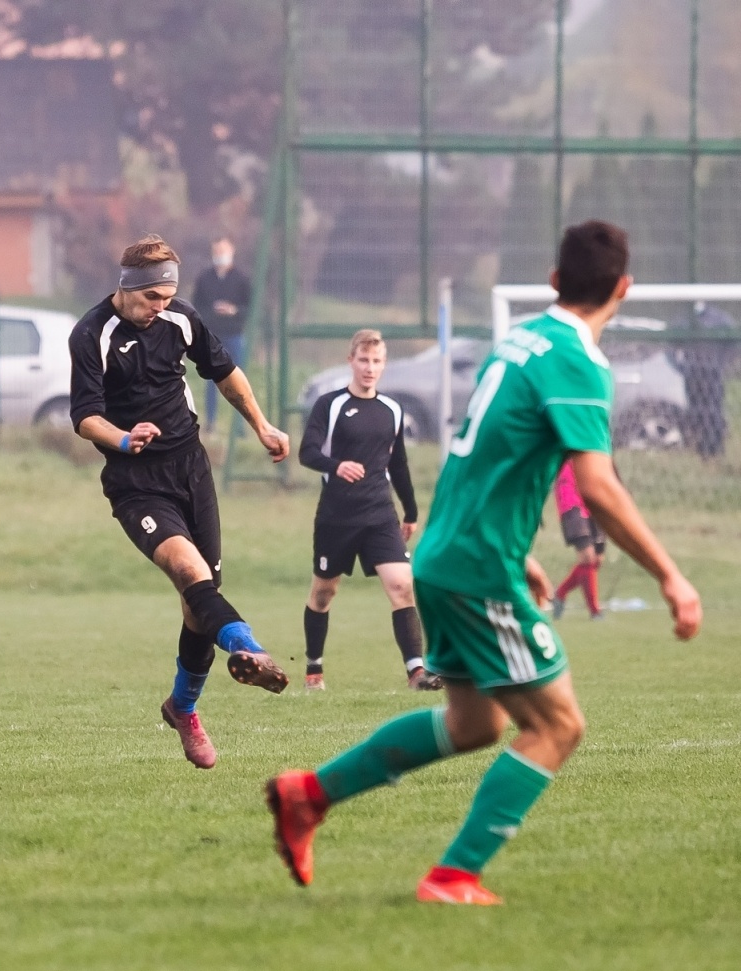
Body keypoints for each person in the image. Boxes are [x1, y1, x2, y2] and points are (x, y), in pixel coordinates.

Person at [267, 221, 703, 906]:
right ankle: (453, 875)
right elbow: (597, 484)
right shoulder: (578, 361)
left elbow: (485, 455)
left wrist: (518, 546)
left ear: (555, 281)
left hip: (445, 550)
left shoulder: (518, 343)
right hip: (475, 565)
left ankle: (308, 794)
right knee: (558, 726)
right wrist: (671, 575)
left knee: (475, 724)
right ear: (623, 288)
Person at [68, 234, 291, 772]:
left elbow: (225, 373)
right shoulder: (91, 334)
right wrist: (122, 438)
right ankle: (249, 648)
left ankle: (182, 708)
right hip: (135, 481)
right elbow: (84, 417)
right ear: (128, 288)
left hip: (191, 469)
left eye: (167, 298)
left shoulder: (181, 319)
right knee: (189, 572)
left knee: (199, 602)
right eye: (152, 299)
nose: (160, 307)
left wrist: (261, 425)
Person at [298, 329, 439, 692]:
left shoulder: (392, 408)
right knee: (324, 594)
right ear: (351, 361)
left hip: (380, 513)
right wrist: (336, 465)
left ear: (384, 365)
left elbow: (400, 465)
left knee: (402, 585)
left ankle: (416, 671)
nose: (370, 368)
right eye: (363, 360)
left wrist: (410, 511)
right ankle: (314, 668)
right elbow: (307, 452)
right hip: (337, 517)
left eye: (377, 362)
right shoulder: (329, 404)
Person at [191, 236, 252, 429]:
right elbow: (196, 307)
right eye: (217, 252)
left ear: (232, 251)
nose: (220, 255)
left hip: (235, 334)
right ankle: (211, 423)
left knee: (238, 380)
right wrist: (211, 313)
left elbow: (251, 308)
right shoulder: (204, 278)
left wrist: (234, 311)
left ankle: (240, 425)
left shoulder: (242, 279)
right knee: (211, 380)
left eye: (223, 251)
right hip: (212, 336)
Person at [551, 459, 605, 620]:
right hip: (571, 499)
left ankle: (559, 593)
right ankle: (595, 611)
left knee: (596, 559)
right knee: (587, 556)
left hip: (593, 497)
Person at [684, 301, 735, 460]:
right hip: (692, 373)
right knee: (696, 409)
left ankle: (715, 447)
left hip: (712, 373)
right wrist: (681, 365)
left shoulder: (719, 319)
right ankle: (701, 448)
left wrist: (723, 361)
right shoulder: (685, 318)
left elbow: (734, 340)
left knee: (713, 409)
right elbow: (672, 345)